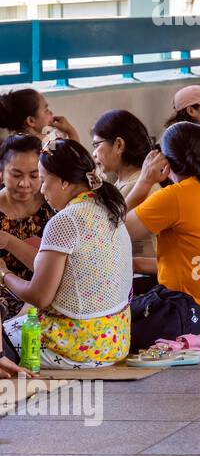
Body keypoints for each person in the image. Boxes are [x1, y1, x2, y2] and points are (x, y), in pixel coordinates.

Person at [0, 139, 131, 367]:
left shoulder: (65, 220)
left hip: (73, 346)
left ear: (62, 181)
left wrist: (4, 274)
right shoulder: (108, 208)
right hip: (115, 342)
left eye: (41, 180)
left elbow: (39, 296)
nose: (39, 189)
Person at [126, 122, 200, 332]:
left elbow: (113, 235)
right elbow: (194, 263)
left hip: (193, 313)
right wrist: (136, 264)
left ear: (164, 160)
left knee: (115, 307)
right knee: (139, 286)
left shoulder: (175, 197)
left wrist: (144, 182)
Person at [91, 109, 159, 283]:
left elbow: (106, 239)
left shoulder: (142, 187)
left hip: (144, 280)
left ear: (119, 145)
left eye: (97, 145)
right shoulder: (124, 182)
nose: (94, 153)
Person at [0, 135, 52, 319]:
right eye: (16, 175)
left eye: (34, 175)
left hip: (45, 293)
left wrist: (8, 241)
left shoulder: (53, 205)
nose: (25, 184)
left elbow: (56, 269)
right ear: (1, 173)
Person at [0, 89, 78, 142]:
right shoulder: (45, 146)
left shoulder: (12, 144)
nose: (51, 113)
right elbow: (76, 159)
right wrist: (70, 131)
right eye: (46, 110)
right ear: (31, 121)